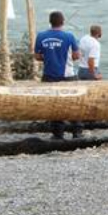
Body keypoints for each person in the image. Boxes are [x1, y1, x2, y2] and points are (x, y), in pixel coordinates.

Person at [33, 11, 82, 139]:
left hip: (49, 75)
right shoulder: (69, 36)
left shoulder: (41, 36)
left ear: (50, 22)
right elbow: (76, 55)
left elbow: (37, 56)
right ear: (63, 22)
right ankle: (77, 131)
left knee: (54, 104)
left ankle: (58, 133)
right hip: (68, 75)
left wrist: (48, 58)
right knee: (73, 103)